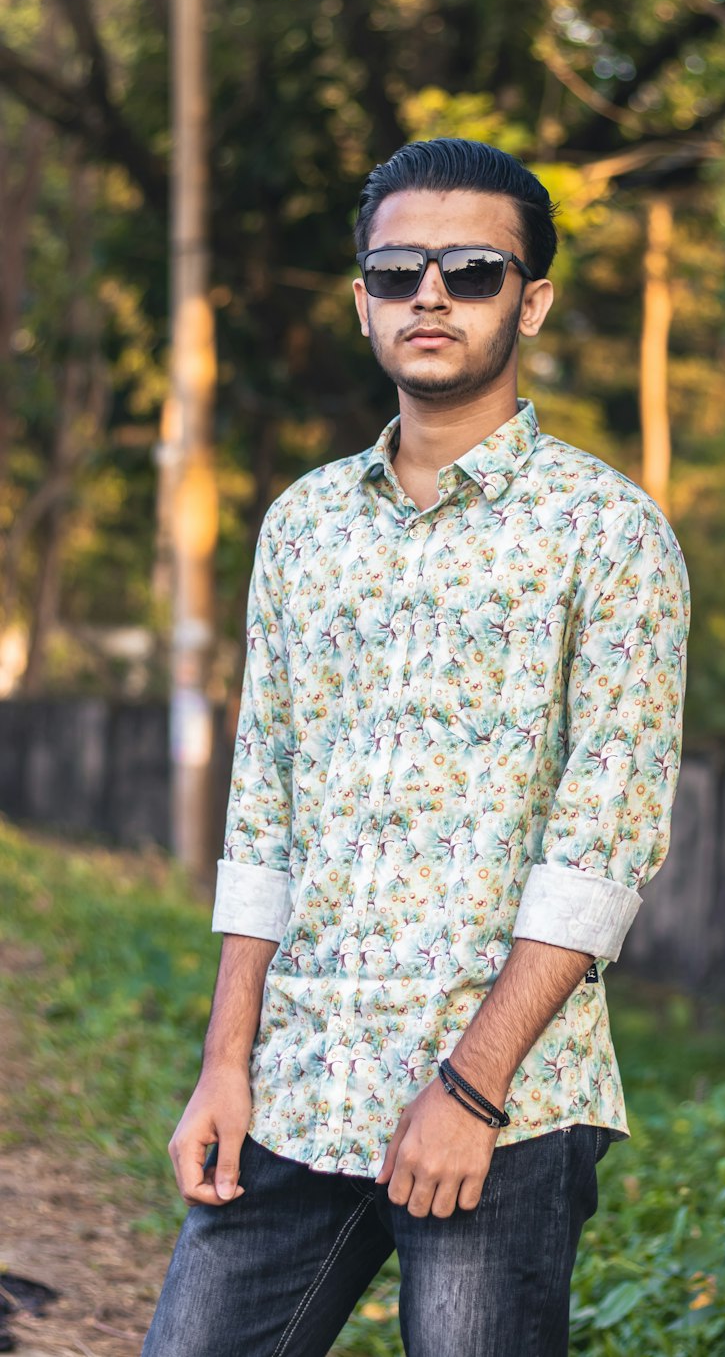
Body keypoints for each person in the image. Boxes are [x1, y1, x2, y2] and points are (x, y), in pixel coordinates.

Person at [143, 138, 689, 1357]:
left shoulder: (610, 538)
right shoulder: (302, 527)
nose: (428, 296)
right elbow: (264, 814)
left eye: (472, 269)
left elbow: (601, 851)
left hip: (502, 1106)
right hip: (300, 1083)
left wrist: (467, 1091)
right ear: (361, 302)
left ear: (530, 299)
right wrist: (224, 1064)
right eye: (396, 272)